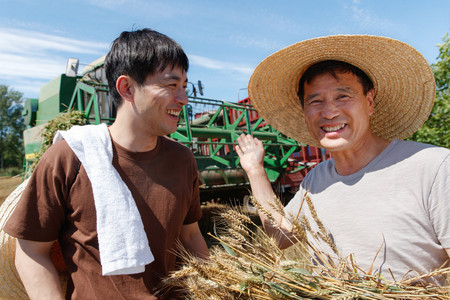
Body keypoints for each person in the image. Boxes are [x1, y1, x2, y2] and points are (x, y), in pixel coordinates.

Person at [4, 28, 208, 299]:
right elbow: (31, 250)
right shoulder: (69, 158)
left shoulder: (183, 161)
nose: (183, 99)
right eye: (171, 85)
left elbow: (191, 236)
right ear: (127, 88)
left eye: (184, 86)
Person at [236, 35, 449, 285]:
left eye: (343, 97)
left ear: (369, 102)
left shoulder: (434, 168)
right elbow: (281, 237)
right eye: (315, 101)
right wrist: (255, 170)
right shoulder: (316, 181)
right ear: (305, 113)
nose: (329, 112)